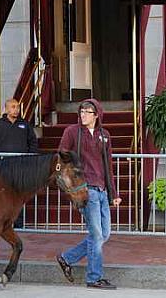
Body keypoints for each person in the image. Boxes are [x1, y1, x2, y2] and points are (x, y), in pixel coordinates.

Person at [55, 99, 122, 290]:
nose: (83, 114)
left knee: (104, 234)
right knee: (97, 234)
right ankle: (94, 277)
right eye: (81, 111)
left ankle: (67, 258)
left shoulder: (104, 135)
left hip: (101, 189)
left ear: (96, 115)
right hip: (85, 189)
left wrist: (113, 193)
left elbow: (108, 166)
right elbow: (62, 154)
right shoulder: (72, 131)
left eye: (87, 111)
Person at [0, 97, 38, 227]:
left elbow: (33, 142)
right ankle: (3, 221)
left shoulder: (25, 124)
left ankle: (19, 222)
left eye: (18, 107)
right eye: (13, 107)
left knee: (19, 193)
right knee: (3, 192)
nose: (16, 110)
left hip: (21, 166)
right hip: (3, 166)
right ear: (6, 109)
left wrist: (30, 159)